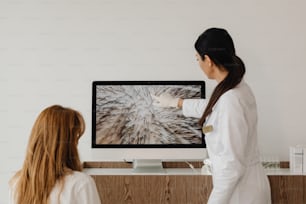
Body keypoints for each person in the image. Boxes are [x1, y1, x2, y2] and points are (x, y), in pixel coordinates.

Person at [152, 28, 271, 204]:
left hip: (241, 193)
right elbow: (215, 107)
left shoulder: (231, 99)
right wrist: (177, 102)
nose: (198, 63)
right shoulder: (237, 88)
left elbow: (231, 168)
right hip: (248, 185)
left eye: (197, 59)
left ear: (208, 60)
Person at [9, 105, 101, 204]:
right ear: (67, 143)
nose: (77, 144)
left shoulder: (18, 183)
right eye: (75, 138)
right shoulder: (81, 183)